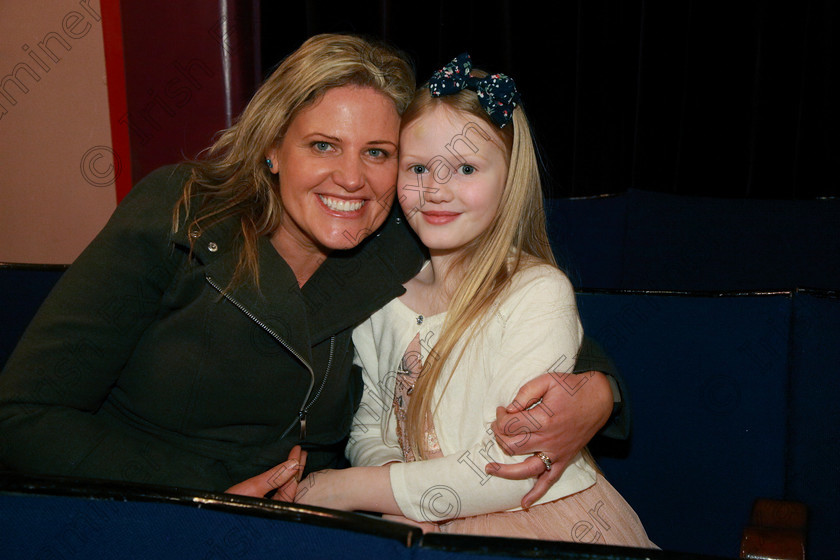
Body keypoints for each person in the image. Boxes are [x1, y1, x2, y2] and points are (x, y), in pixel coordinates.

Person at [0, 35, 622, 499]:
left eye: (378, 152)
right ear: (272, 146)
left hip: (314, 527)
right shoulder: (184, 211)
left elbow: (520, 304)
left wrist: (598, 393)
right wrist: (205, 487)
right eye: (323, 145)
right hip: (145, 514)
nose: (351, 179)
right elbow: (21, 418)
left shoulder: (399, 240)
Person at [287, 54, 655, 547]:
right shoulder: (384, 297)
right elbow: (370, 423)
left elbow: (512, 466)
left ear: (510, 180)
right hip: (418, 521)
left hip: (535, 521)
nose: (436, 190)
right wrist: (394, 491)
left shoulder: (536, 293)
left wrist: (342, 488)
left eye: (465, 167)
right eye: (418, 167)